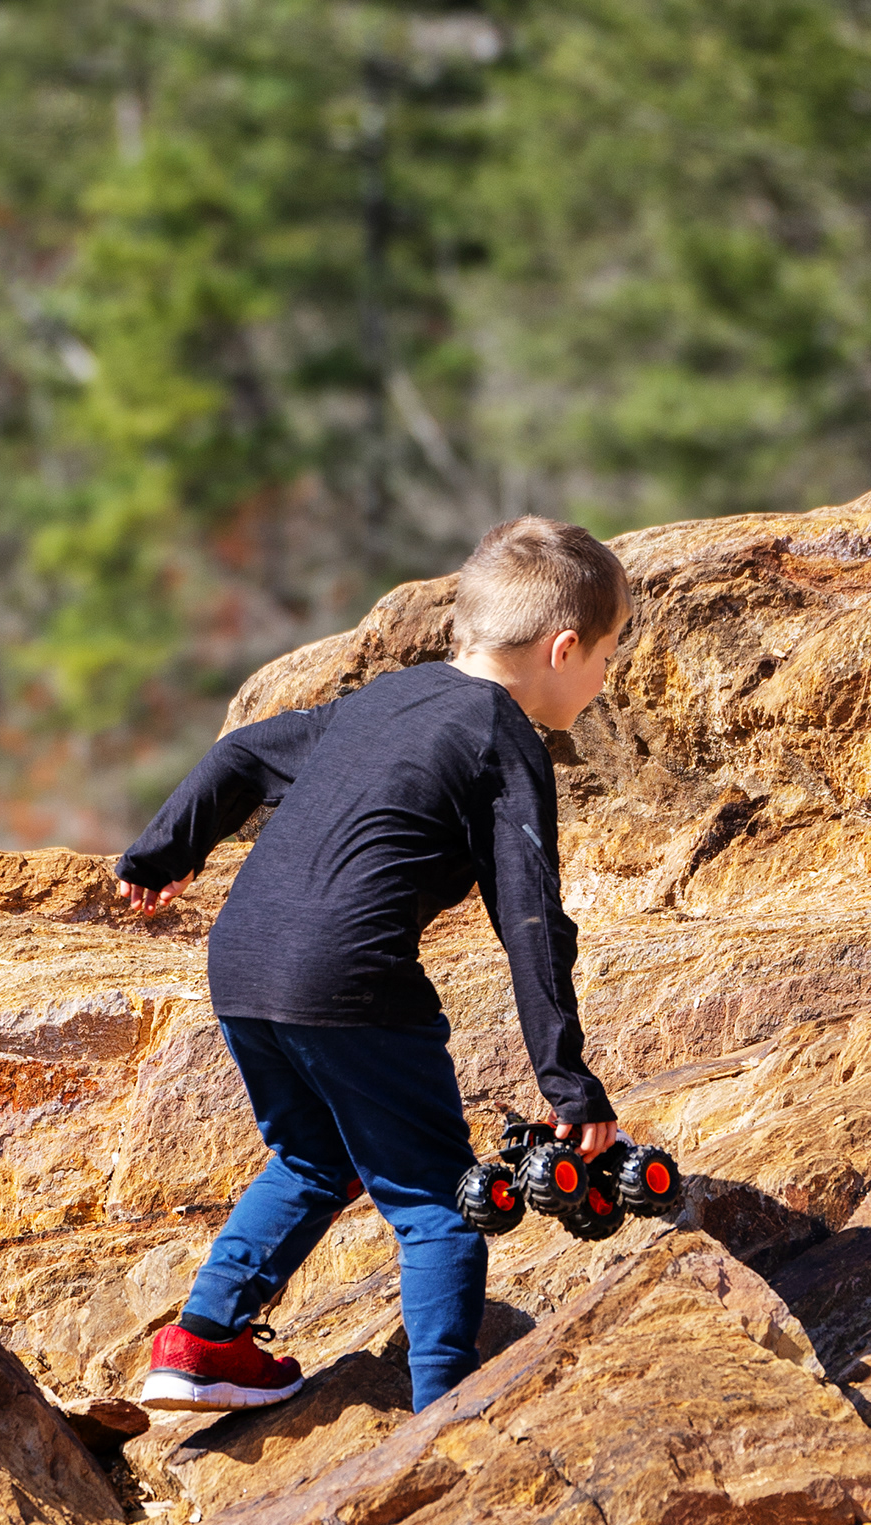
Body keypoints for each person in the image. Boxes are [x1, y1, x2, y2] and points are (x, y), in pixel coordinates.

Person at [114, 514, 630, 1416]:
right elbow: (531, 921)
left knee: (315, 1154)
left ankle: (202, 1342)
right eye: (607, 655)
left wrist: (163, 851)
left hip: (243, 960)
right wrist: (568, 1082)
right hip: (351, 976)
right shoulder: (502, 738)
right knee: (438, 1203)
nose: (604, 678)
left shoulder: (390, 696)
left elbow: (242, 754)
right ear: (562, 647)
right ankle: (445, 1418)